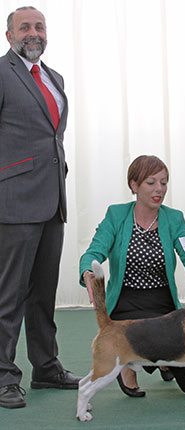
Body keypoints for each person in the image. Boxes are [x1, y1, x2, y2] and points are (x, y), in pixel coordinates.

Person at [0, 6, 80, 409]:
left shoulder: (55, 78)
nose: (34, 33)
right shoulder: (1, 73)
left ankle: (46, 368)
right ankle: (3, 377)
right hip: (13, 202)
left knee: (42, 294)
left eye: (39, 26)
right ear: (9, 34)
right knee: (9, 296)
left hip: (52, 201)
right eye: (25, 27)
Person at [80, 155, 185, 397]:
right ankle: (131, 365)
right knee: (142, 341)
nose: (159, 189)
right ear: (134, 185)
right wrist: (88, 269)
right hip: (126, 306)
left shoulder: (174, 218)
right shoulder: (116, 215)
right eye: (151, 182)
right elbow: (95, 250)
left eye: (163, 182)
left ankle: (159, 359)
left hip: (164, 308)